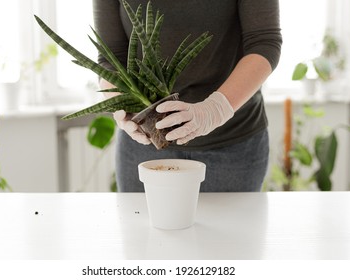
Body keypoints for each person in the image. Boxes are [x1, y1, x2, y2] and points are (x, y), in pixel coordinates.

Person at [93, 0, 282, 192]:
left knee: (232, 222)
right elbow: (110, 58)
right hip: (146, 142)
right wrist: (122, 106)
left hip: (233, 143)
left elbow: (264, 42)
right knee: (140, 222)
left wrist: (216, 109)